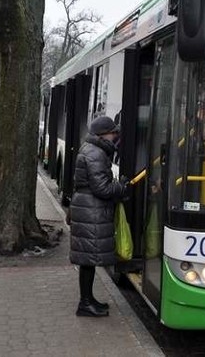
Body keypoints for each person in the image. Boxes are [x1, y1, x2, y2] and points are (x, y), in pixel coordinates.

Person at [69, 116, 130, 317]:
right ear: (103, 135)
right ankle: (85, 303)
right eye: (113, 133)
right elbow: (102, 188)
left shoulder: (92, 150)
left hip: (87, 209)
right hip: (91, 211)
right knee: (88, 261)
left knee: (89, 260)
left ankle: (88, 300)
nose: (115, 137)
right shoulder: (96, 153)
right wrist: (121, 187)